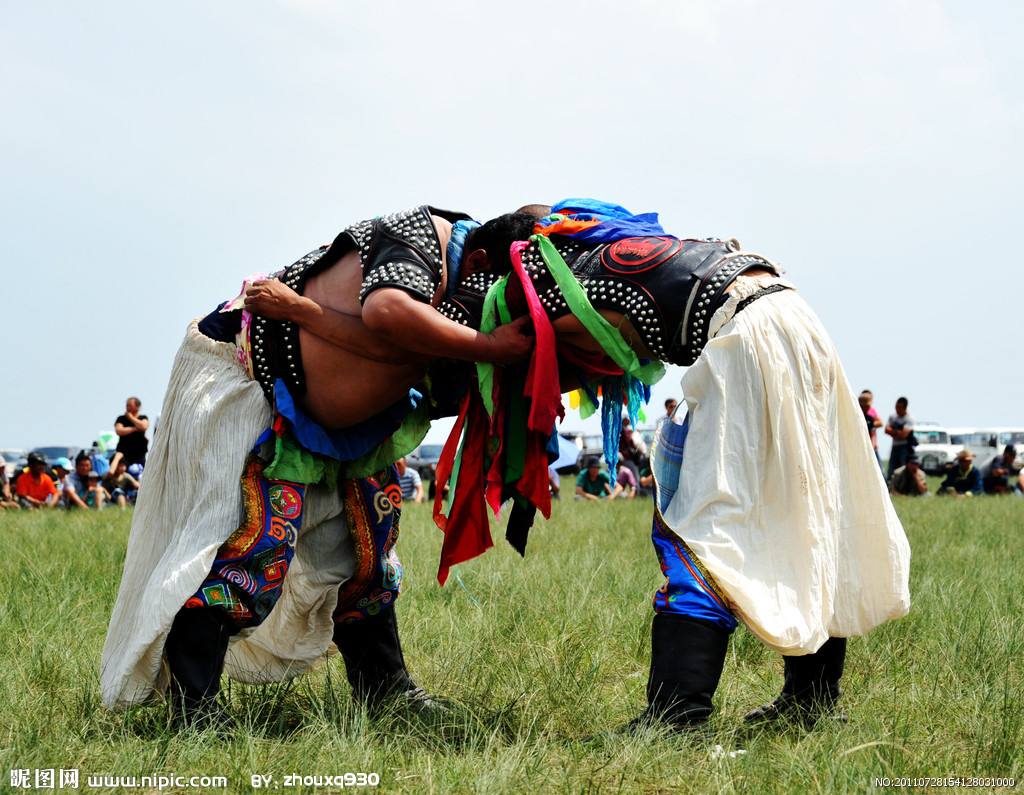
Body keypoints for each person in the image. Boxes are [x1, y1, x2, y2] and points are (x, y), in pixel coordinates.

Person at [481, 199, 910, 732]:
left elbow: (528, 358)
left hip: (749, 339)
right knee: (806, 512)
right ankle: (812, 700)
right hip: (797, 322)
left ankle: (677, 715)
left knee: (700, 524)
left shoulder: (556, 282)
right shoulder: (629, 248)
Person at [100, 206, 535, 730]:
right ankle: (195, 709)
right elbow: (388, 319)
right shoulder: (420, 236)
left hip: (349, 424)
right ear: (483, 260)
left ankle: (385, 689)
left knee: (367, 549)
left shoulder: (467, 301)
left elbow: (404, 362)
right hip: (251, 386)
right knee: (250, 542)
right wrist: (486, 346)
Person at [113, 398, 150, 469]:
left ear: (137, 407)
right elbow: (119, 430)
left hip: (140, 453)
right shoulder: (121, 419)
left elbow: (144, 426)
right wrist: (135, 428)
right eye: (127, 405)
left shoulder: (143, 417)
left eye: (130, 405)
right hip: (125, 454)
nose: (128, 407)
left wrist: (131, 418)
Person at [885, 397, 915, 479]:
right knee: (891, 469)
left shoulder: (909, 418)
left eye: (899, 408)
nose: (897, 410)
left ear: (905, 408)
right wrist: (897, 432)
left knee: (902, 469)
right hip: (894, 447)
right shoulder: (892, 416)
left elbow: (903, 435)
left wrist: (893, 432)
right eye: (896, 407)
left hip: (904, 448)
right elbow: (886, 430)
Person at [859, 390, 884, 473]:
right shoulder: (857, 417)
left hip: (870, 447)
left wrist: (872, 448)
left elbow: (873, 431)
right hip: (860, 447)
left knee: (879, 471)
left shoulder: (870, 418)